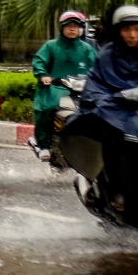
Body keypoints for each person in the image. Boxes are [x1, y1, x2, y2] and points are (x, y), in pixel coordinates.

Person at [66, 5, 138, 212]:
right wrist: (108, 100)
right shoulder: (106, 56)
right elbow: (95, 86)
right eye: (127, 30)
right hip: (115, 114)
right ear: (118, 31)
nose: (132, 35)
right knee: (114, 139)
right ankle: (116, 190)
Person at [28, 10, 98, 162]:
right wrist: (44, 75)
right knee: (49, 107)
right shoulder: (51, 46)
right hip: (56, 88)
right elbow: (39, 61)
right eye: (69, 26)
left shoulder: (87, 49)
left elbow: (98, 68)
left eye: (76, 26)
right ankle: (43, 144)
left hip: (83, 89)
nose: (73, 29)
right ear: (62, 27)